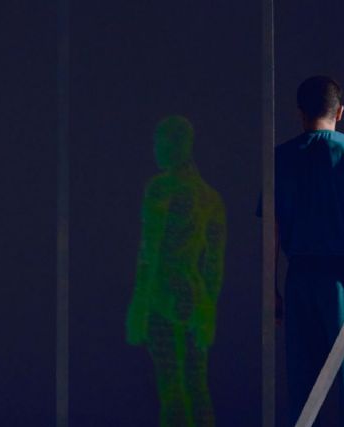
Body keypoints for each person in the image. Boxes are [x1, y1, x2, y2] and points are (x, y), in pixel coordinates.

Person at [266, 76, 344, 427]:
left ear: (300, 112)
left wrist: (271, 287)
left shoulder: (280, 158)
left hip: (300, 277)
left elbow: (272, 229)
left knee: (302, 388)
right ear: (340, 111)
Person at [126, 116, 226, 427]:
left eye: (160, 142)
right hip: (195, 297)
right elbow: (214, 263)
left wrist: (139, 305)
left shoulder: (161, 189)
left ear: (176, 145)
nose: (156, 149)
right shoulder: (210, 197)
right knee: (197, 386)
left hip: (162, 294)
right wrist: (208, 308)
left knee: (171, 388)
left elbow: (150, 250)